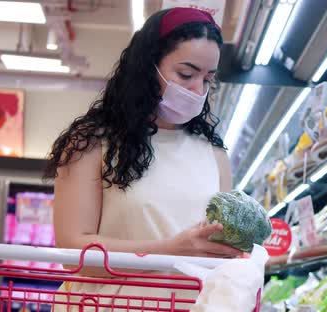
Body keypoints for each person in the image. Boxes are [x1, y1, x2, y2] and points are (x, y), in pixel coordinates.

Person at [44, 7, 242, 309]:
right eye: (186, 74)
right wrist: (169, 251)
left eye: (208, 79)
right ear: (148, 67)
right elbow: (73, 252)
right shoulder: (92, 143)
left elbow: (222, 248)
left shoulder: (214, 154)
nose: (197, 90)